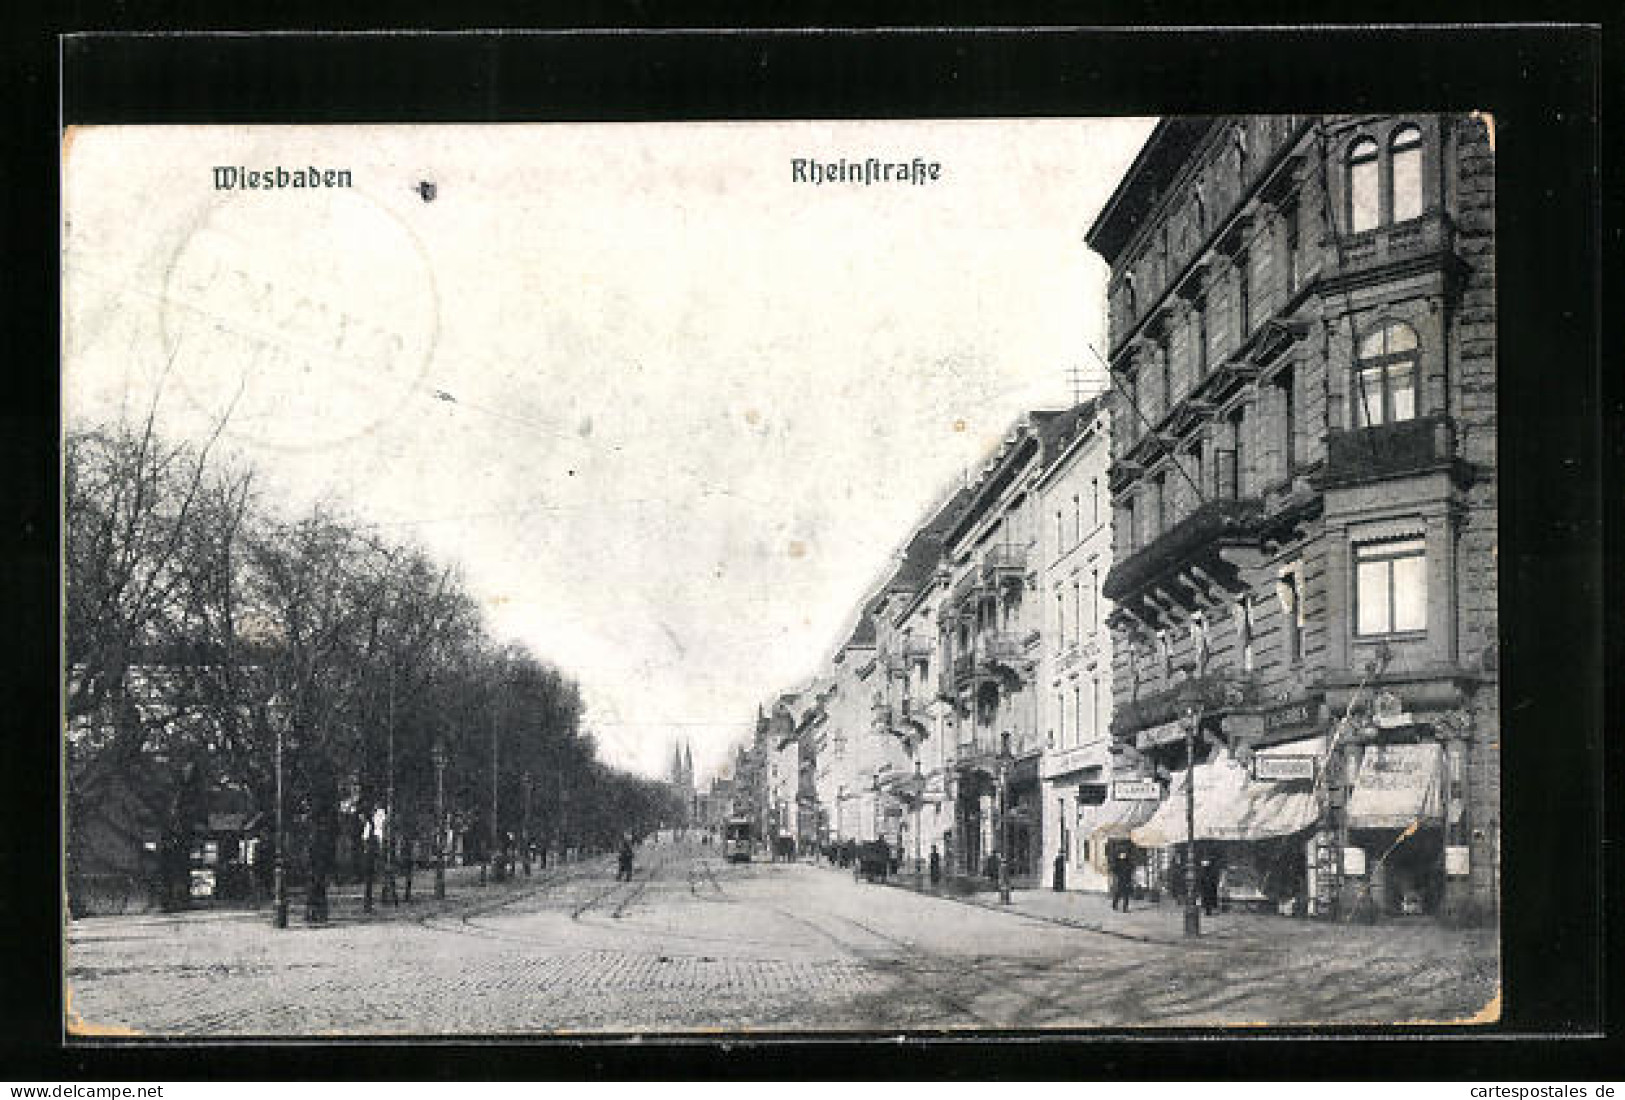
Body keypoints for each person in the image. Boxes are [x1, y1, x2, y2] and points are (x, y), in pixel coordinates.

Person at [1110, 847, 1134, 912]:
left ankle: (1125, 908)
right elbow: (1114, 870)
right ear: (1119, 855)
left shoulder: (1128, 862)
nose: (1123, 855)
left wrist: (1130, 877)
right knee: (1118, 894)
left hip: (1127, 880)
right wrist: (1118, 875)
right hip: (1120, 880)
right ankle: (1114, 905)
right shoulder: (1117, 862)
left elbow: (1131, 869)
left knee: (1126, 895)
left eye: (1124, 854)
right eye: (1122, 854)